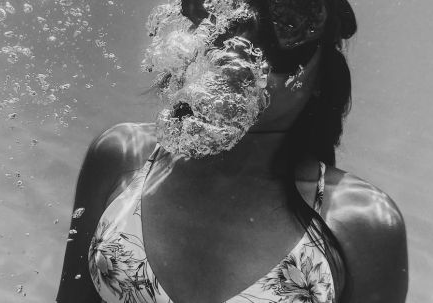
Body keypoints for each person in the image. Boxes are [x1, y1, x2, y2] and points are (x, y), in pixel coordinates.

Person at [56, 0, 408, 302]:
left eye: (287, 20)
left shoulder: (363, 225)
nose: (242, 44)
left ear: (322, 74)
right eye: (228, 14)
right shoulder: (121, 156)